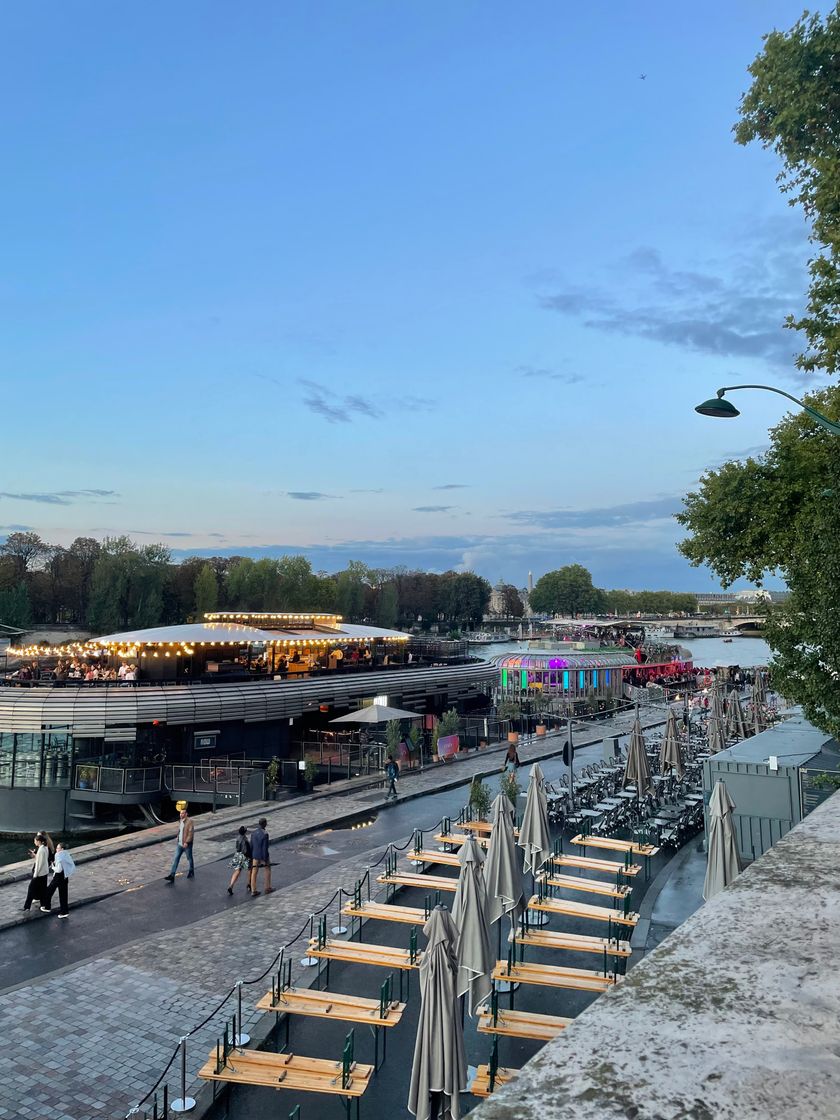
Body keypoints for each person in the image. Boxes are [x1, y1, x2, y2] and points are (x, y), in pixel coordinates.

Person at [164, 808, 194, 883]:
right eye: (180, 813)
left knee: (189, 858)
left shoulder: (190, 822)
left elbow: (190, 833)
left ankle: (191, 871)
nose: (181, 815)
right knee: (176, 859)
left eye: (183, 813)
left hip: (186, 845)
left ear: (186, 814)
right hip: (180, 844)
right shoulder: (180, 821)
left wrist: (186, 842)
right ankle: (172, 875)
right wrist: (178, 835)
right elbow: (181, 830)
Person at [23, 834, 51, 914]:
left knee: (31, 888)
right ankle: (43, 904)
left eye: (35, 841)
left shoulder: (41, 850)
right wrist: (35, 855)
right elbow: (42, 860)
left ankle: (26, 907)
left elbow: (39, 864)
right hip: (44, 872)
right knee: (42, 889)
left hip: (40, 873)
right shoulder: (45, 848)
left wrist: (35, 874)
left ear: (38, 841)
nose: (34, 842)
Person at [46, 843, 76, 917]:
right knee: (63, 895)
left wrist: (53, 867)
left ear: (62, 849)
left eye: (58, 848)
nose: (56, 849)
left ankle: (47, 907)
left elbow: (59, 869)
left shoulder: (59, 855)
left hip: (58, 876)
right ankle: (64, 912)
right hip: (65, 876)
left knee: (49, 891)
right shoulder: (66, 854)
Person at [227, 826, 251, 895]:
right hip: (244, 855)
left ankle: (231, 885)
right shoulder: (244, 839)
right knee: (249, 869)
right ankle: (249, 884)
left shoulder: (238, 838)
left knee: (237, 871)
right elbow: (246, 850)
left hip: (238, 854)